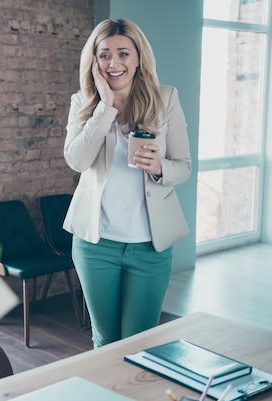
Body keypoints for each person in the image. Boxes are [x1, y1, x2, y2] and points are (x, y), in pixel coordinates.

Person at [62, 18, 191, 348]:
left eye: (123, 53)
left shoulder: (165, 99)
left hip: (150, 246)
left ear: (138, 58)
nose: (114, 63)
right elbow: (77, 161)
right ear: (94, 60)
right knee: (105, 340)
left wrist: (160, 167)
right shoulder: (84, 103)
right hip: (96, 245)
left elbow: (184, 167)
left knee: (141, 344)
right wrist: (104, 108)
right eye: (104, 55)